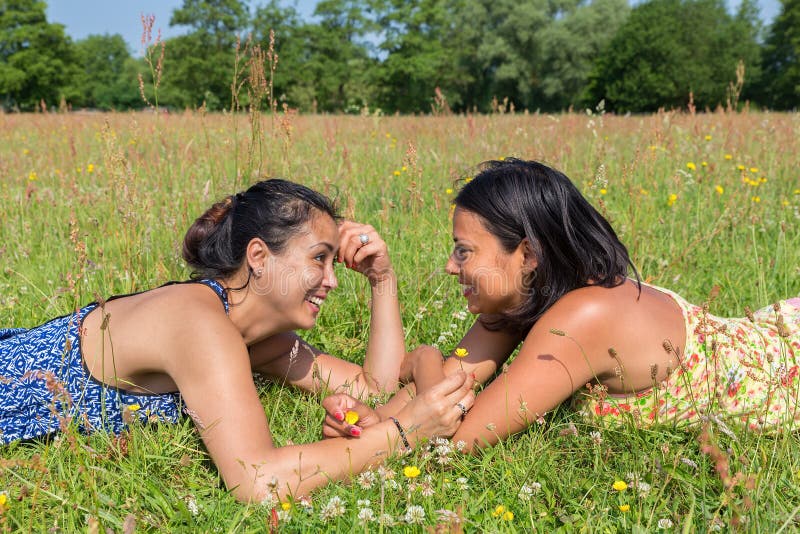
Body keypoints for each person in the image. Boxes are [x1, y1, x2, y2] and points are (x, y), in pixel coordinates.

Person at [0, 178, 475, 502]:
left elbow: (376, 386)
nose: (331, 279)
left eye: (335, 263)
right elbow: (256, 480)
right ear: (259, 256)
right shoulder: (200, 323)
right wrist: (404, 434)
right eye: (318, 259)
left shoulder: (253, 338)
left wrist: (382, 279)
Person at [323, 158, 800, 450]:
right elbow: (454, 385)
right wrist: (379, 421)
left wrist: (424, 357)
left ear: (527, 255)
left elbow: (459, 437)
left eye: (464, 251)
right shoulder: (529, 295)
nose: (451, 266)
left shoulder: (583, 317)